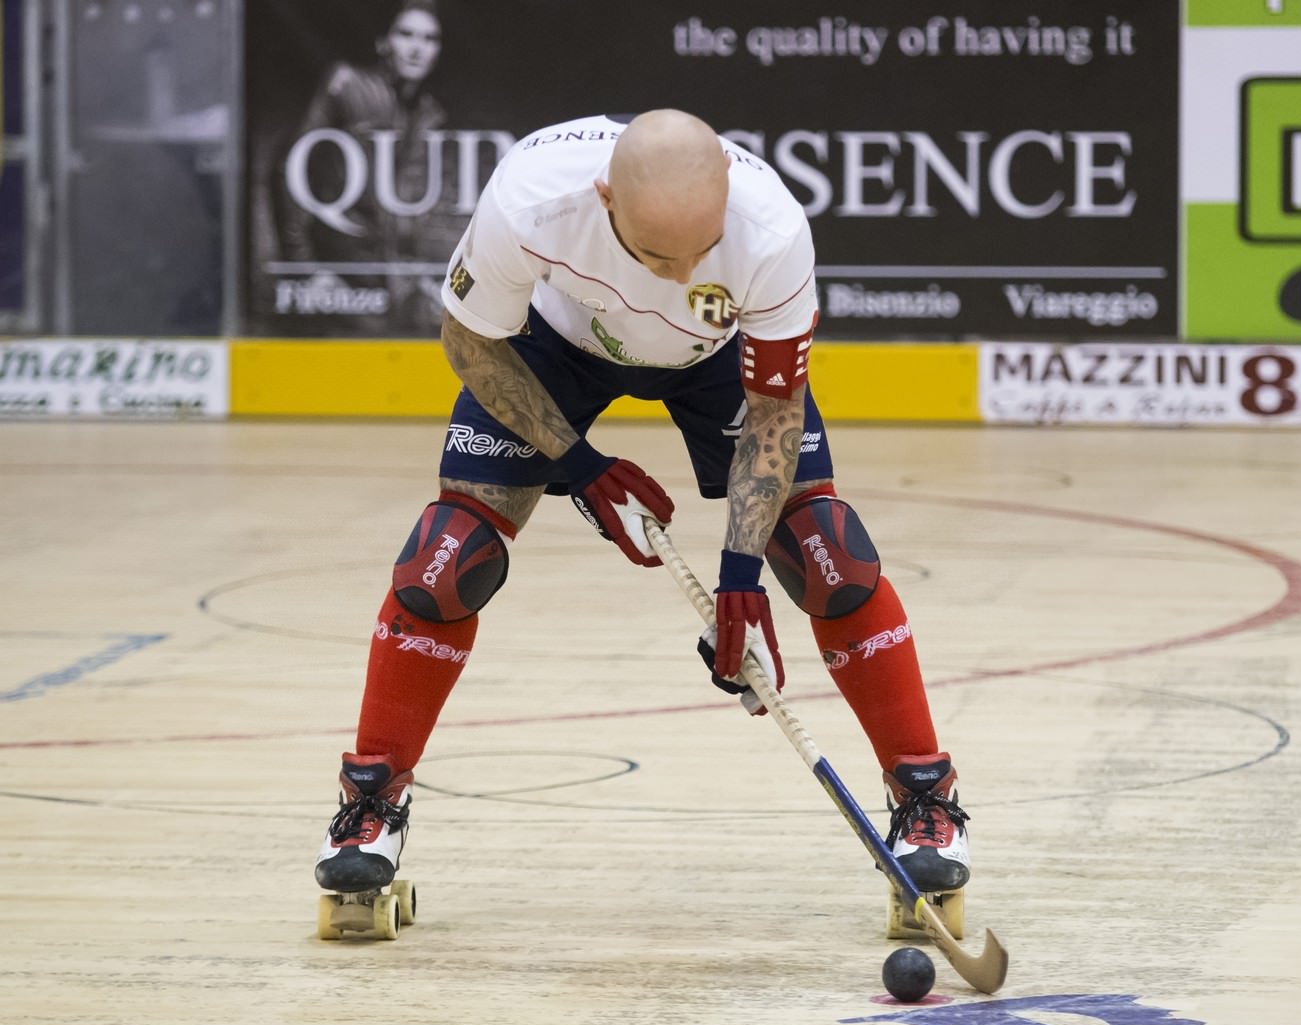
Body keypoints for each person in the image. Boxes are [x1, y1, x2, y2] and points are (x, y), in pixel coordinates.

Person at [313, 110, 971, 916]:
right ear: (604, 201)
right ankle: (371, 803)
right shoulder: (531, 200)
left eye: (699, 251)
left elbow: (773, 409)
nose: (680, 272)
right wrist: (579, 465)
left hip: (714, 363)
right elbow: (470, 342)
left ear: (726, 192)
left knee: (826, 550)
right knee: (444, 561)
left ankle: (925, 801)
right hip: (554, 345)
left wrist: (740, 577)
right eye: (657, 255)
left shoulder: (770, 229)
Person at [272, 0, 455, 332]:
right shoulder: (347, 85)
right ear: (383, 42)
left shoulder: (429, 111)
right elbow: (289, 170)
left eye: (430, 39)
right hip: (342, 283)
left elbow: (416, 203)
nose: (417, 48)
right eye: (406, 34)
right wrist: (304, 269)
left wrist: (424, 277)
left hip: (394, 290)